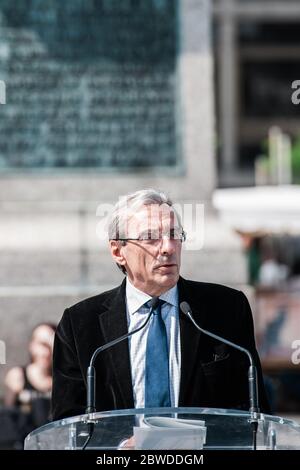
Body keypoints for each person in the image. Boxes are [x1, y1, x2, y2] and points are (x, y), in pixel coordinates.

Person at [51, 189, 270, 421]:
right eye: (150, 238)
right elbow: (68, 424)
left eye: (174, 234)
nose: (168, 248)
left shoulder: (226, 308)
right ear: (118, 251)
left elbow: (251, 412)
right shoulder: (80, 324)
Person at [5, 323, 56, 432]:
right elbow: (8, 416)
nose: (45, 352)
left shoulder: (62, 380)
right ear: (31, 345)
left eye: (50, 345)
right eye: (42, 344)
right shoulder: (18, 376)